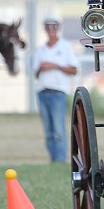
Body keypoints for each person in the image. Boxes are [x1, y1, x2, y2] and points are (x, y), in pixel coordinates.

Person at [32, 18, 78, 163]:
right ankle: (53, 159)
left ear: (58, 28)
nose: (51, 29)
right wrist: (42, 66)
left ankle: (60, 159)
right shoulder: (40, 50)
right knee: (48, 130)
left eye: (53, 26)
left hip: (58, 91)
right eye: (48, 26)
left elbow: (74, 69)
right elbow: (35, 73)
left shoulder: (65, 47)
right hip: (42, 91)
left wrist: (55, 66)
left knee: (59, 129)